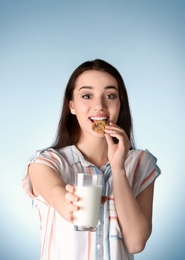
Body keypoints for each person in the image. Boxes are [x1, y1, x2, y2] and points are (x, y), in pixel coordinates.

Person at [22, 59, 161, 260]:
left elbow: (136, 242)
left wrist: (118, 169)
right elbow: (55, 193)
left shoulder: (140, 163)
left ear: (119, 105)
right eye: (87, 96)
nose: (99, 106)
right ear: (71, 106)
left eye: (110, 96)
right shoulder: (47, 162)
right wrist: (67, 203)